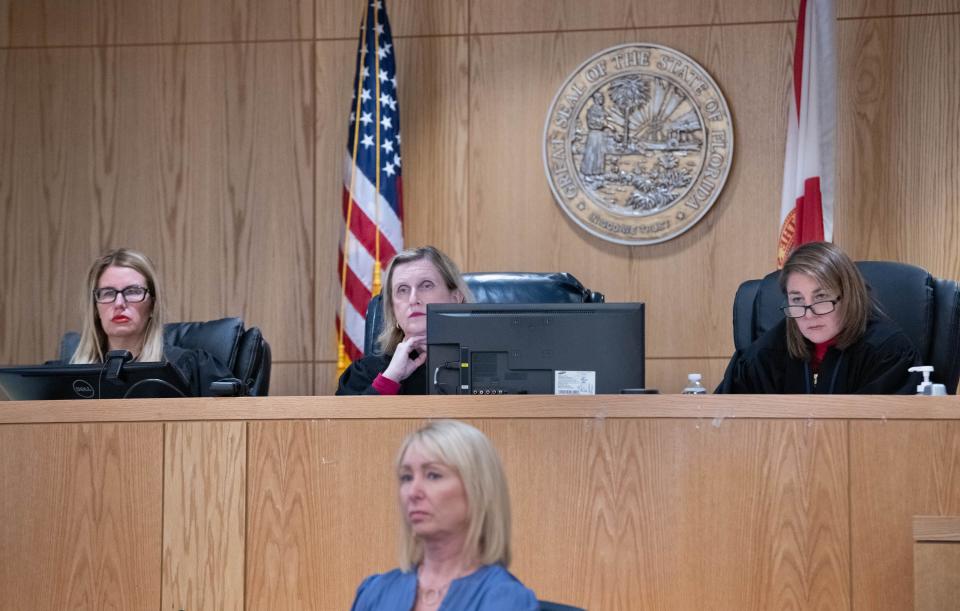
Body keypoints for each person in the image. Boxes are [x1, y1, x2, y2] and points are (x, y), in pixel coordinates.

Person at [350, 420, 538, 611]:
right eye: (406, 477)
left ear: (478, 489)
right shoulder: (375, 593)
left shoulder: (507, 601)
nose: (413, 492)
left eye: (433, 475)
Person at [717, 241, 921, 394]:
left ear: (848, 296)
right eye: (797, 300)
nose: (808, 314)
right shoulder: (763, 355)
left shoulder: (888, 352)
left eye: (821, 297)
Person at [68, 248, 233, 396]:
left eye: (133, 291)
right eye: (108, 293)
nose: (119, 303)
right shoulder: (67, 376)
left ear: (153, 304)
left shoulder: (190, 367)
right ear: (95, 308)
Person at [336, 246, 471, 395]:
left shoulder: (488, 365)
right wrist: (390, 379)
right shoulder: (365, 373)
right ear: (393, 311)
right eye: (403, 289)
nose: (413, 299)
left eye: (426, 285)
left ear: (456, 298)